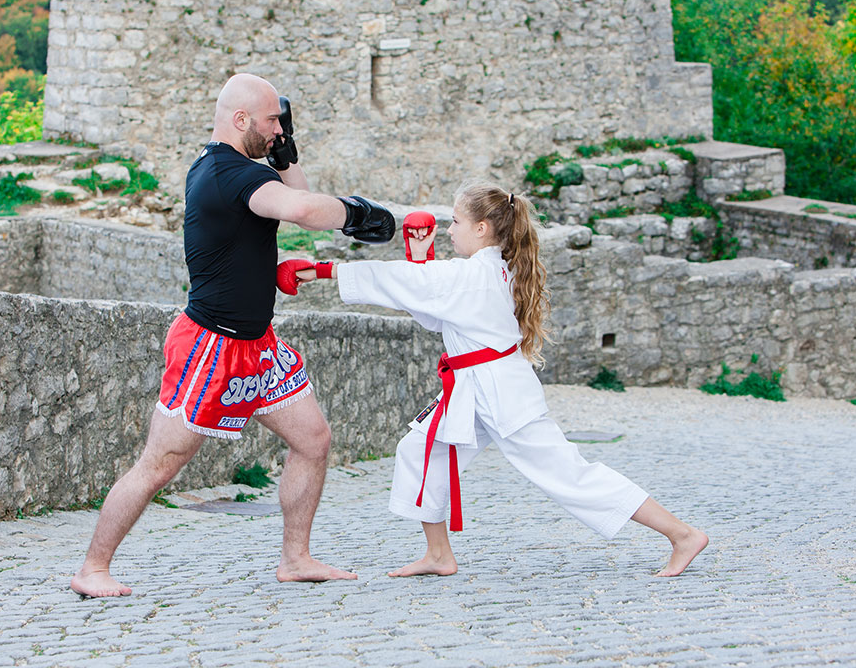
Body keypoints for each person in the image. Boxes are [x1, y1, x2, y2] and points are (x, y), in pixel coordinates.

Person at [70, 73, 396, 598]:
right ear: (240, 120)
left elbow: (294, 194)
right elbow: (303, 210)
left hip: (257, 345)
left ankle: (296, 558)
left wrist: (286, 156)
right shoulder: (228, 174)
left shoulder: (231, 169)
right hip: (210, 347)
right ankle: (93, 568)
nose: (278, 129)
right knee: (160, 465)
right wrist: (356, 213)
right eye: (272, 121)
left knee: (313, 440)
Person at [277, 183, 708, 578]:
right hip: (473, 390)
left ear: (482, 228)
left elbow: (411, 283)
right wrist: (423, 261)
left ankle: (681, 534)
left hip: (502, 395)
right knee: (420, 451)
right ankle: (439, 555)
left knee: (570, 474)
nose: (449, 230)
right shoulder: (482, 271)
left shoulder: (475, 275)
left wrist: (322, 270)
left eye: (456, 222)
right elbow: (434, 307)